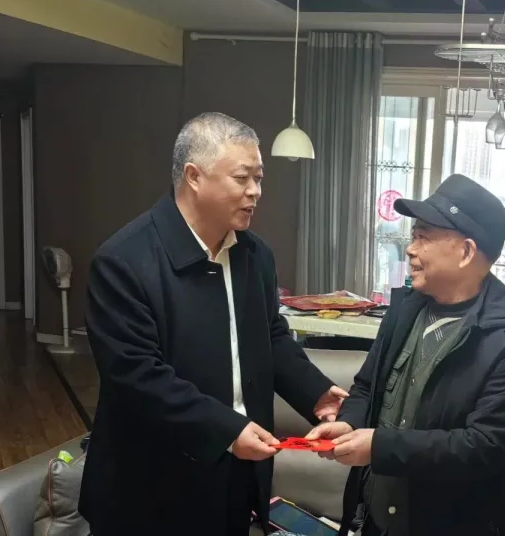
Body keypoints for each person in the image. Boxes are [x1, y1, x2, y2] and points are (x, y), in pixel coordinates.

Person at [79, 112, 348, 536]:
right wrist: (228, 429)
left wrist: (315, 392)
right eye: (242, 178)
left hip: (236, 473)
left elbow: (270, 334)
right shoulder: (123, 262)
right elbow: (137, 377)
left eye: (259, 178)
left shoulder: (254, 255)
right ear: (194, 176)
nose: (255, 191)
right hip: (149, 487)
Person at [306, 174, 505, 536]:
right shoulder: (405, 309)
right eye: (413, 236)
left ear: (466, 252)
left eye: (424, 237)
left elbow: (485, 447)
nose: (411, 249)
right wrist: (350, 424)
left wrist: (380, 447)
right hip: (375, 520)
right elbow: (367, 387)